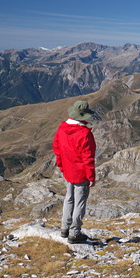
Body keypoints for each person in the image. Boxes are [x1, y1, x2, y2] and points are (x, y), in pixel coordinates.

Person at [52, 100, 96, 244]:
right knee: (79, 202)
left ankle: (64, 228)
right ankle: (75, 233)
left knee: (69, 199)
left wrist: (63, 167)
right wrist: (91, 176)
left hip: (68, 171)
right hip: (81, 173)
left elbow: (57, 150)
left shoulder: (61, 129)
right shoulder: (84, 133)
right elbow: (88, 158)